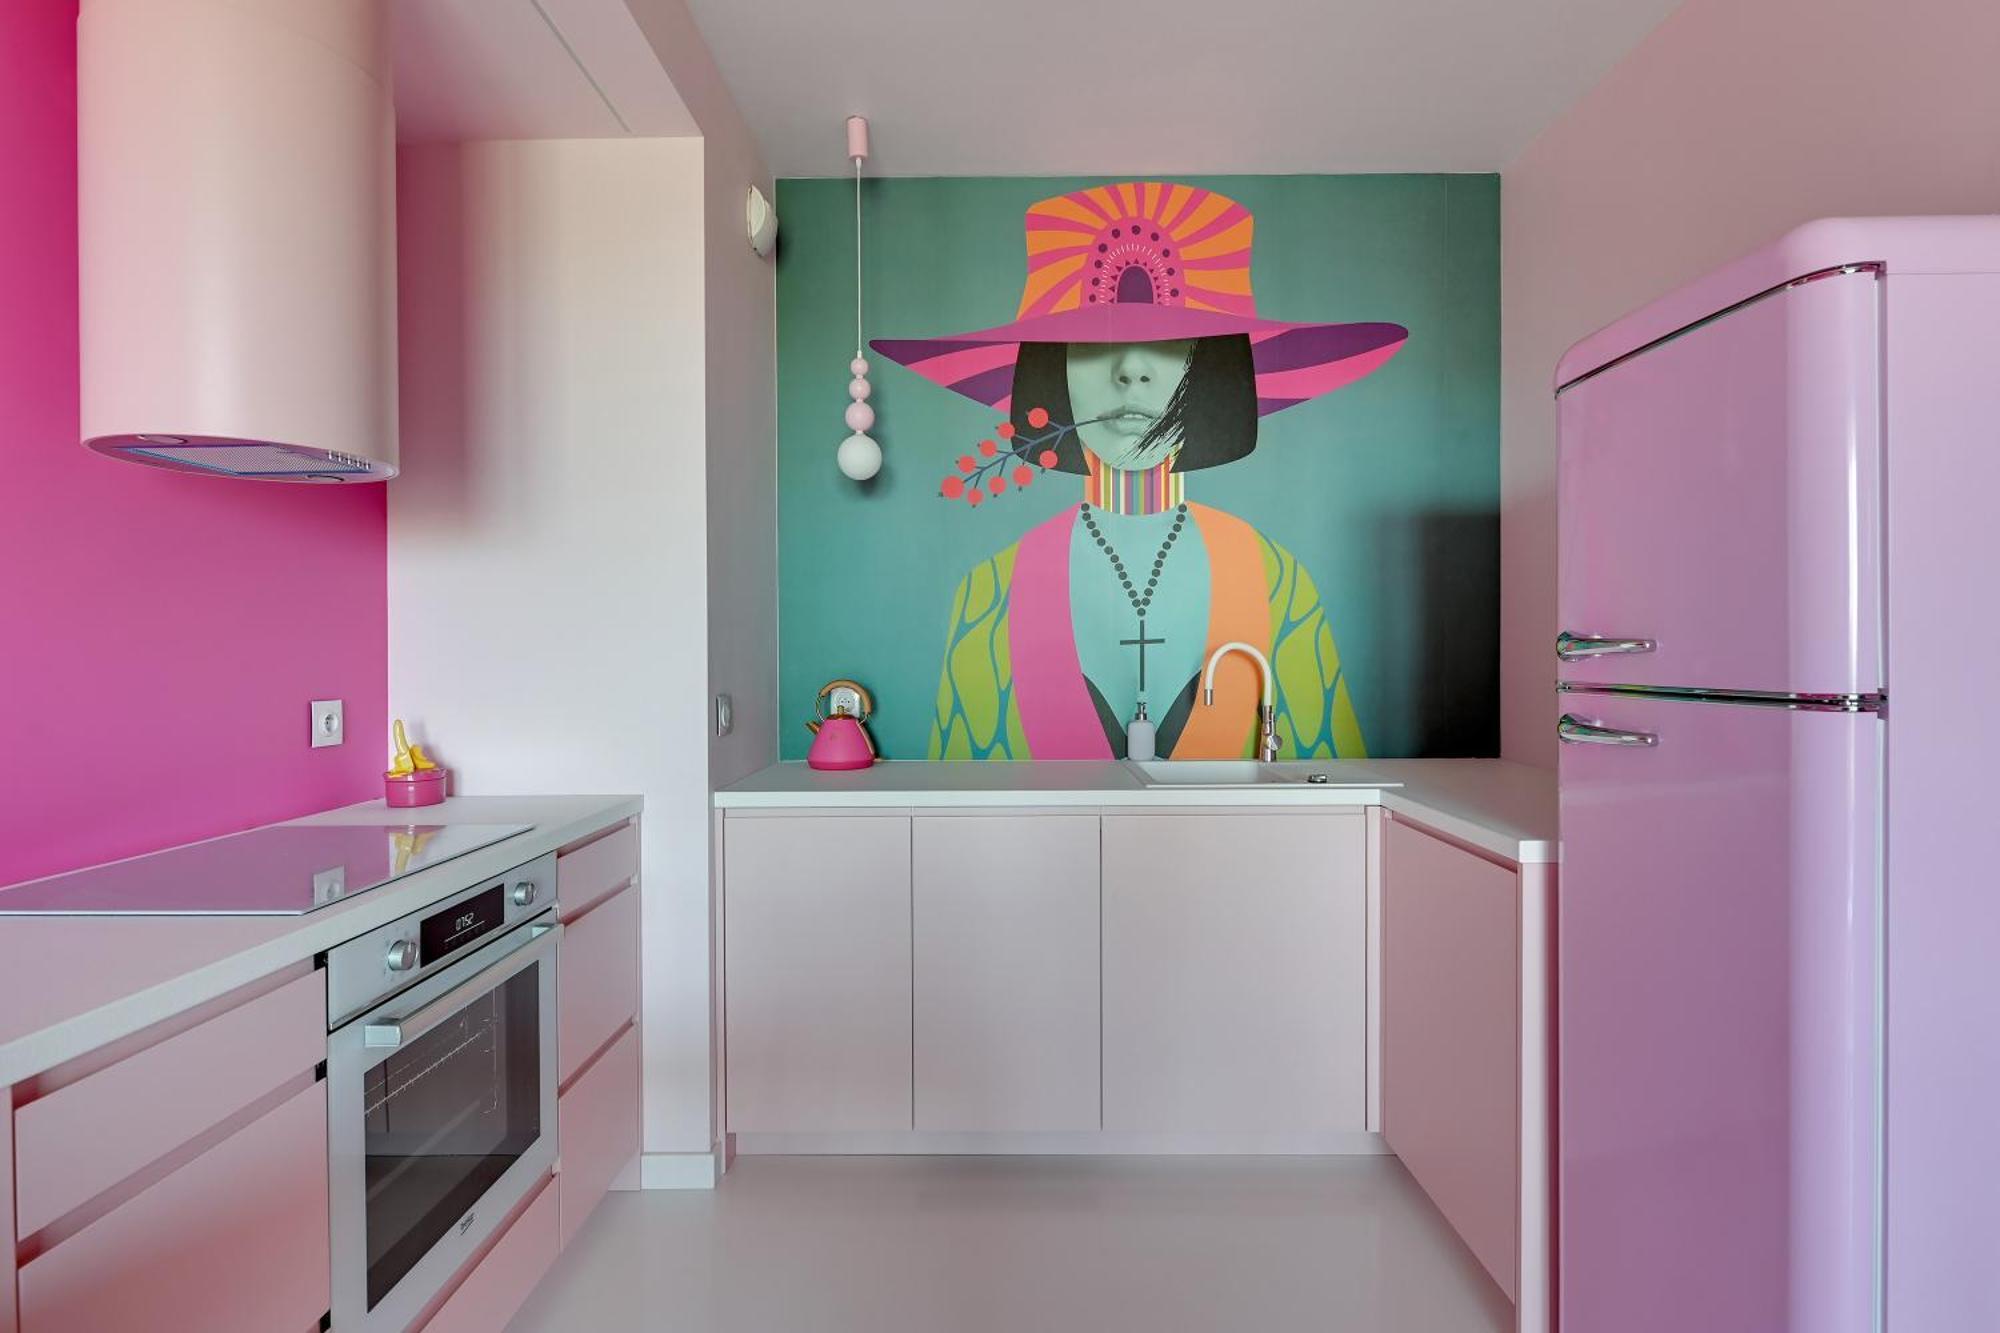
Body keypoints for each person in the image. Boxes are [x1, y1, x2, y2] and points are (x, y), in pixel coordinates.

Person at [871, 183, 1407, 760]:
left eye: (1171, 342)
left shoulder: (1279, 583)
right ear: (1054, 369)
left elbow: (1328, 787)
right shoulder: (988, 595)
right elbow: (961, 798)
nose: (1131, 370)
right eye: (1088, 342)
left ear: (1212, 366)